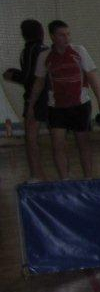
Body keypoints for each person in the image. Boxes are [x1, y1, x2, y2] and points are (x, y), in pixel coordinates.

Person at [24, 20, 100, 180]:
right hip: (56, 107)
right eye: (62, 35)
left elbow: (92, 77)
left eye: (68, 34)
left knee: (83, 143)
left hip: (80, 105)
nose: (67, 38)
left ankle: (88, 179)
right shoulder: (45, 56)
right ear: (52, 36)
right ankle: (64, 180)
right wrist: (31, 104)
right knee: (58, 145)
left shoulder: (79, 51)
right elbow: (39, 82)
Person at [2, 18, 48, 180]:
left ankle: (36, 175)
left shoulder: (30, 50)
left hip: (36, 98)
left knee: (31, 138)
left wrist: (12, 75)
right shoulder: (46, 49)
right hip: (50, 97)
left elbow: (30, 77)